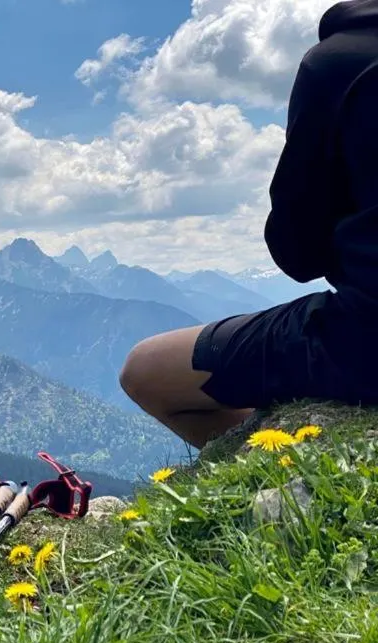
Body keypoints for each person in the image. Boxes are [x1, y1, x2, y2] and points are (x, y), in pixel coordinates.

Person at [119, 0, 378, 449]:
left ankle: (283, 461)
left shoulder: (338, 60)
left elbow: (298, 252)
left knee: (144, 370)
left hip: (366, 337)